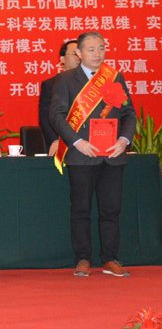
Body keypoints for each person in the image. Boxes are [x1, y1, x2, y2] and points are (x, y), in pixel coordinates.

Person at [49, 31, 137, 277]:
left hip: (113, 154)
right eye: (91, 49)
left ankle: (110, 259)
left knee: (111, 210)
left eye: (101, 48)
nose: (97, 54)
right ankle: (83, 259)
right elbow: (56, 115)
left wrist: (124, 140)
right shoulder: (66, 79)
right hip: (82, 154)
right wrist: (77, 142)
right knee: (81, 210)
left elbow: (129, 114)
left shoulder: (115, 77)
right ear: (78, 53)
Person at [39, 40, 80, 157]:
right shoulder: (51, 84)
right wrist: (55, 140)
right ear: (62, 59)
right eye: (74, 54)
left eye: (81, 54)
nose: (79, 58)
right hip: (62, 142)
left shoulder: (93, 85)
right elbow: (45, 117)